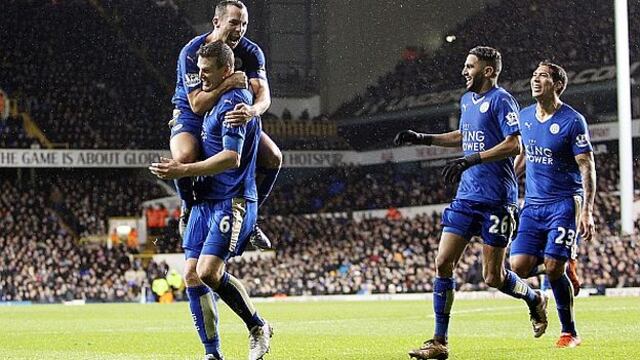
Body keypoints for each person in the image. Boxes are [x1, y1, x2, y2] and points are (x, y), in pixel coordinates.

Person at [394, 46, 547, 360]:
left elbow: (514, 144)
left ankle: (534, 299)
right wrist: (422, 138)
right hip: (466, 197)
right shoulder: (467, 100)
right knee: (442, 263)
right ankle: (439, 342)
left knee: (494, 277)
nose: (464, 71)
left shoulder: (502, 100)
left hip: (497, 200)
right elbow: (465, 136)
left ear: (488, 71)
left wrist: (471, 160)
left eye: (470, 66)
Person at [151, 41, 272, 360]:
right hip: (204, 201)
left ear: (227, 71)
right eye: (198, 71)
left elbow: (231, 158)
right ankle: (212, 354)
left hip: (231, 199)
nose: (200, 77)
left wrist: (182, 169)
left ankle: (258, 326)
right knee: (191, 274)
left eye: (206, 72)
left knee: (207, 272)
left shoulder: (235, 102)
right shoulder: (206, 106)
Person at [170, 0, 280, 249]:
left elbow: (264, 96)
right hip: (191, 114)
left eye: (244, 24)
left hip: (227, 113)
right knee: (185, 156)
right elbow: (197, 104)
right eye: (234, 23)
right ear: (217, 22)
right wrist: (228, 84)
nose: (240, 29)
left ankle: (250, 221)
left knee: (274, 157)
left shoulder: (251, 52)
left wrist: (252, 110)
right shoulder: (193, 51)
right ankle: (188, 210)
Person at [509, 61, 596, 348]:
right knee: (518, 266)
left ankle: (570, 332)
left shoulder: (572, 120)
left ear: (557, 84)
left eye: (542, 76)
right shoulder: (524, 116)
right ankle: (556, 270)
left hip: (563, 203)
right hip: (533, 205)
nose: (535, 79)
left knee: (554, 265)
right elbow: (525, 155)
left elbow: (587, 167)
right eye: (533, 75)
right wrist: (508, 180)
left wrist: (588, 210)